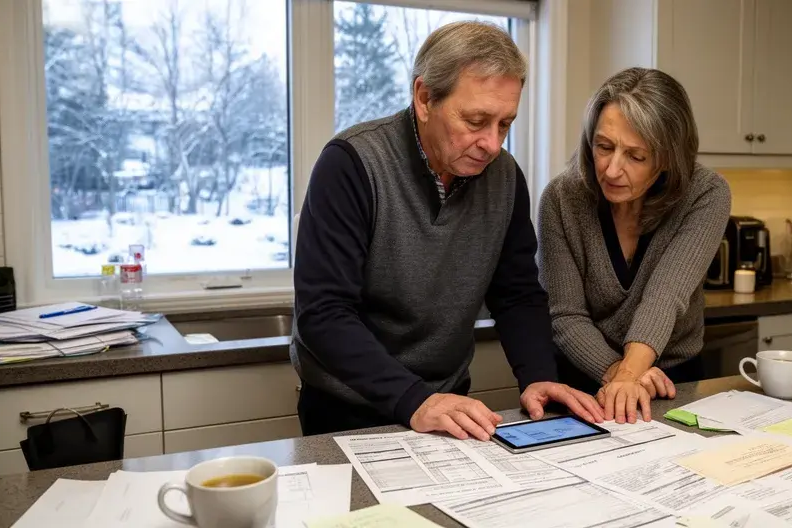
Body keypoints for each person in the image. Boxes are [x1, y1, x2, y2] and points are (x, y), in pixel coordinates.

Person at [291, 21, 604, 441]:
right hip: (347, 406)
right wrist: (414, 400)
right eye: (476, 121)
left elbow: (517, 294)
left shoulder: (505, 177)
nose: (492, 144)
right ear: (424, 98)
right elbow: (324, 314)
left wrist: (538, 375)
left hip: (445, 404)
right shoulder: (351, 164)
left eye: (505, 124)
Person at [538, 67, 732, 425]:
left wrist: (629, 376)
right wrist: (622, 377)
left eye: (635, 156)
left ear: (668, 157)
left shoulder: (705, 193)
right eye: (604, 147)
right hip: (585, 379)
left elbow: (665, 296)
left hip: (670, 380)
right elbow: (566, 315)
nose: (612, 170)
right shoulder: (561, 199)